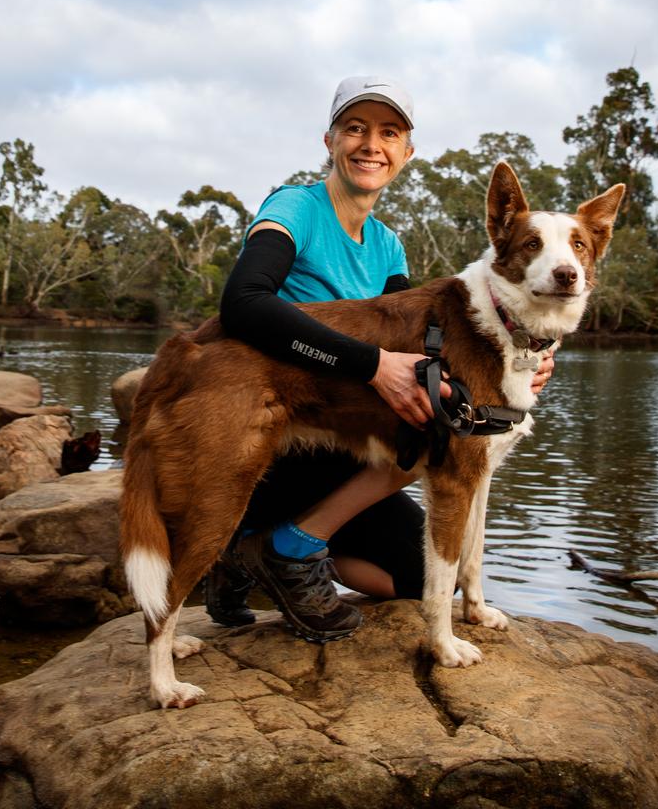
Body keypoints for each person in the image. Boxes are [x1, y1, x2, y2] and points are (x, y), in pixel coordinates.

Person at [203, 76, 554, 641]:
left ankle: (251, 555)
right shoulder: (295, 207)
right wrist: (369, 364)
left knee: (418, 574)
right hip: (282, 425)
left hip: (347, 445)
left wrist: (523, 361)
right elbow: (243, 305)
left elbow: (424, 346)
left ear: (405, 154)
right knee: (431, 431)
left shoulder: (388, 243)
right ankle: (292, 547)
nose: (371, 145)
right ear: (330, 140)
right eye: (356, 129)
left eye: (388, 133)